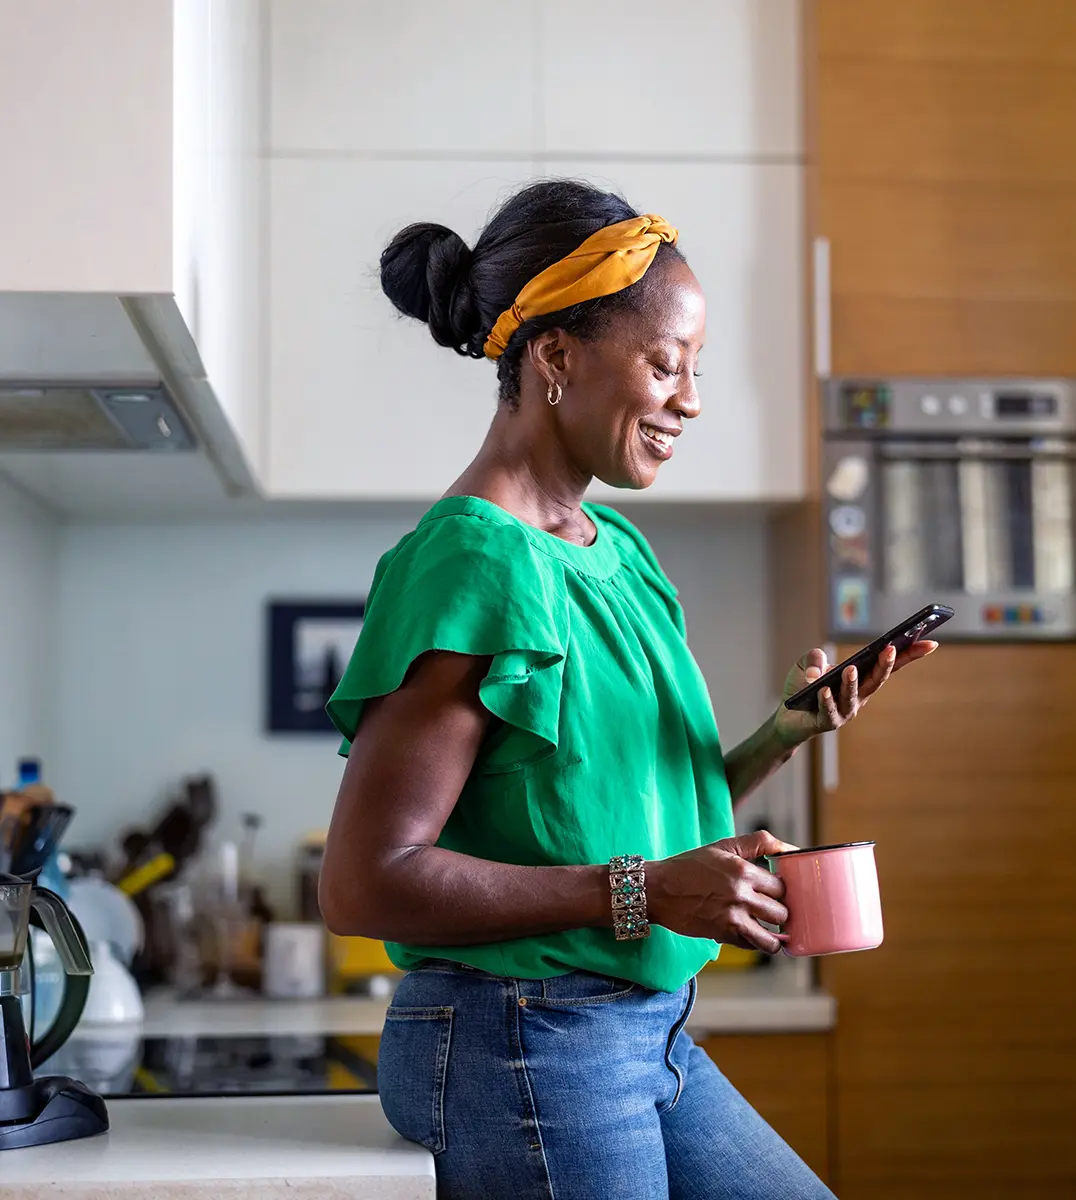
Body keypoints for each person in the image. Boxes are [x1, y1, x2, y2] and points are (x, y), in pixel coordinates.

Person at [319, 179, 937, 1200]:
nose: (689, 398)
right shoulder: (473, 564)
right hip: (519, 1035)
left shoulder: (621, 555)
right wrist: (644, 892)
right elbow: (362, 882)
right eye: (664, 362)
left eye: (695, 367)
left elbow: (608, 810)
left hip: (640, 1031)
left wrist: (781, 733)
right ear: (556, 358)